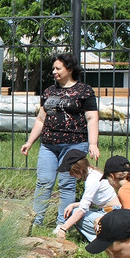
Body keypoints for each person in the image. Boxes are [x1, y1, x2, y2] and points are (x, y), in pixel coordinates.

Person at [20, 52, 100, 228]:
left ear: (69, 69)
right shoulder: (49, 91)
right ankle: (35, 223)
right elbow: (41, 119)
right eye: (53, 69)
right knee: (44, 182)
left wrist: (93, 143)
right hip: (49, 145)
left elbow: (92, 118)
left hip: (74, 145)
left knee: (67, 184)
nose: (54, 72)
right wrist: (30, 141)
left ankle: (61, 226)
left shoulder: (84, 91)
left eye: (58, 68)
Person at [54, 149, 121, 242]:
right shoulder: (92, 174)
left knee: (77, 213)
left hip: (112, 212)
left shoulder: (92, 179)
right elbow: (90, 202)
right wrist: (73, 204)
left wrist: (63, 228)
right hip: (106, 210)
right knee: (74, 211)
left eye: (71, 171)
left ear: (78, 168)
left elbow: (83, 209)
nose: (71, 174)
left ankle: (101, 240)